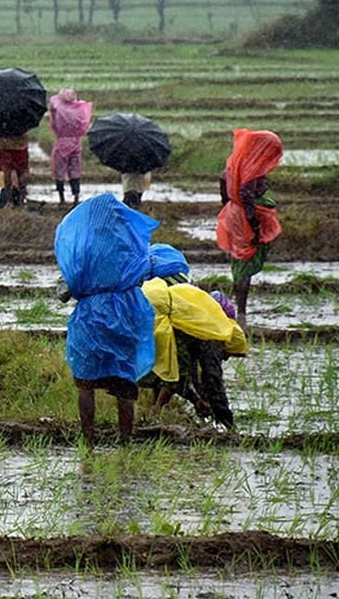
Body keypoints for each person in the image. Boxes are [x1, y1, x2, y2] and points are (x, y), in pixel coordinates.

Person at [55, 193, 159, 446]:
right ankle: (125, 440)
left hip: (92, 316)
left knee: (85, 382)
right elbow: (145, 272)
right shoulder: (131, 247)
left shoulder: (84, 250)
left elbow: (67, 289)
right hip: (126, 313)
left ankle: (88, 440)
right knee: (124, 380)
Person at [140, 261, 246, 430]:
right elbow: (206, 380)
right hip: (153, 312)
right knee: (162, 372)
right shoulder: (211, 338)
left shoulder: (196, 320)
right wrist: (228, 424)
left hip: (147, 304)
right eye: (226, 355)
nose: (225, 358)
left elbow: (190, 374)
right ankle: (151, 414)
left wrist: (197, 399)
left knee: (161, 369)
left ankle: (154, 412)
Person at [217, 129, 283, 331]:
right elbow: (246, 193)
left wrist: (229, 206)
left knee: (240, 263)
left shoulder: (236, 162)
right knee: (246, 263)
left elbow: (223, 182)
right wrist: (253, 224)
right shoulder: (251, 166)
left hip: (234, 214)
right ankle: (242, 316)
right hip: (246, 217)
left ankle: (241, 313)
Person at [48, 88, 92, 206]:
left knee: (59, 170)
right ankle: (76, 197)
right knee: (75, 169)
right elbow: (84, 125)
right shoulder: (80, 108)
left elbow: (53, 123)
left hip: (62, 142)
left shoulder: (58, 108)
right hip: (76, 142)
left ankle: (61, 199)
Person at [0, 133, 29, 208]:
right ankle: (21, 201)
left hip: (5, 144)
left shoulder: (2, 123)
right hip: (20, 144)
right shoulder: (23, 122)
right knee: (22, 171)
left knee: (7, 171)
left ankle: (10, 201)